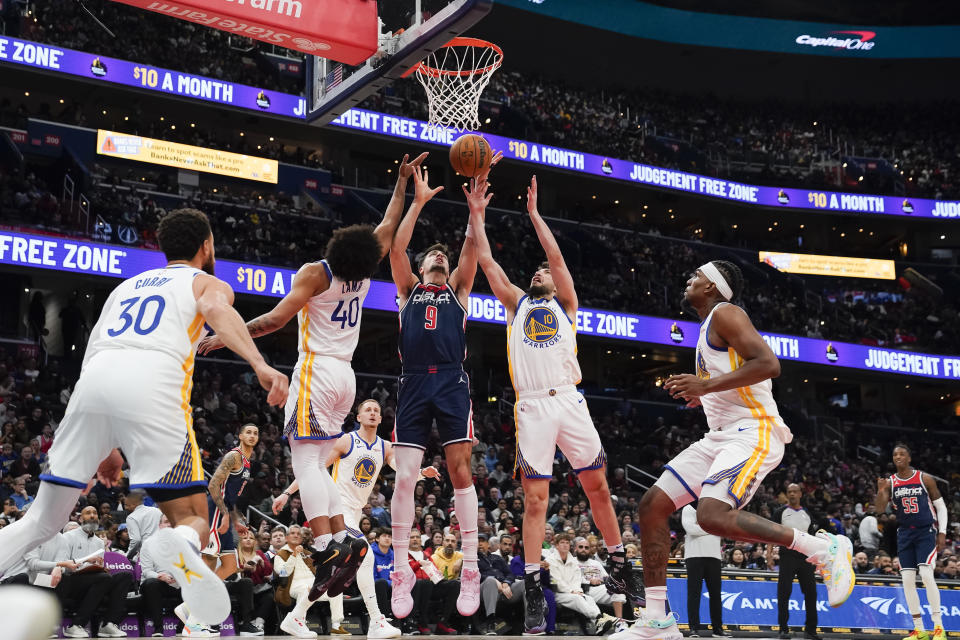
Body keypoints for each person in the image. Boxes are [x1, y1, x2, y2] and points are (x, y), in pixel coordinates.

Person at [0, 208, 289, 629]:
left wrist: (108, 440)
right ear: (207, 245)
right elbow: (216, 309)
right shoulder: (204, 281)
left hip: (92, 386)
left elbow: (96, 352)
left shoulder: (124, 287)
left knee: (41, 521)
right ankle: (181, 542)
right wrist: (259, 364)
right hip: (153, 384)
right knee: (191, 514)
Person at [200, 153, 426, 605]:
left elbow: (275, 321)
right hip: (347, 376)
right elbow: (387, 224)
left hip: (317, 369)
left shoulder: (314, 274)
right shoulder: (364, 272)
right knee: (321, 456)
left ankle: (327, 545)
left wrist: (229, 337)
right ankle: (343, 537)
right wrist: (401, 184)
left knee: (304, 461)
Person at [611, 261, 854, 640]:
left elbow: (769, 364)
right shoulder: (708, 325)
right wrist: (706, 393)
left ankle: (822, 549)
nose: (688, 279)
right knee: (652, 506)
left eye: (696, 276)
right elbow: (734, 378)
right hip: (721, 433)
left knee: (711, 516)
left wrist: (706, 387)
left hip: (754, 432)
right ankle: (656, 621)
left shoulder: (726, 312)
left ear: (713, 287)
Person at [466, 174, 639, 635]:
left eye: (544, 271)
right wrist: (477, 213)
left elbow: (558, 257)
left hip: (570, 399)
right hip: (534, 408)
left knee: (598, 487)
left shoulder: (567, 306)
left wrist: (536, 215)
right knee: (535, 501)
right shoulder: (516, 304)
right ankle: (534, 593)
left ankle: (621, 565)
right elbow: (486, 262)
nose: (540, 272)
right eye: (536, 271)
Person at [387, 158, 499, 621]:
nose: (441, 257)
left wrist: (477, 210)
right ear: (421, 266)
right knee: (407, 476)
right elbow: (396, 245)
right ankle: (399, 571)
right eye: (433, 256)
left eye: (444, 257)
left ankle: (470, 568)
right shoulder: (407, 289)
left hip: (451, 379)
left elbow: (472, 249)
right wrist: (415, 204)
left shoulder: (459, 289)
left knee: (460, 471)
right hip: (413, 380)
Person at [274, 398, 440, 638]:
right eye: (367, 410)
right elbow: (313, 468)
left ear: (381, 419)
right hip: (336, 508)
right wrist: (287, 493)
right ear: (359, 417)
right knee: (367, 555)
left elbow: (401, 470)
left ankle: (296, 616)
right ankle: (376, 621)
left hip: (354, 512)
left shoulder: (385, 446)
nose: (372, 413)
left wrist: (421, 473)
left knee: (333, 572)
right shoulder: (346, 440)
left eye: (376, 410)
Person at [875, 444, 948, 640]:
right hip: (905, 533)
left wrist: (942, 532)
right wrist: (881, 491)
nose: (898, 457)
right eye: (895, 454)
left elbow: (941, 507)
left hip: (926, 532)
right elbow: (880, 511)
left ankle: (939, 627)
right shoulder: (890, 482)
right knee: (907, 580)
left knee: (925, 573)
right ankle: (919, 629)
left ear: (909, 458)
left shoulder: (924, 478)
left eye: (902, 454)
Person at [60, 506, 135, 638]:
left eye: (95, 513)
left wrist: (101, 567)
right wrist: (85, 562)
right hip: (72, 581)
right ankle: (76, 625)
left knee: (124, 576)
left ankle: (108, 624)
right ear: (81, 518)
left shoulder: (99, 542)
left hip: (96, 580)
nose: (93, 515)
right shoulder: (68, 537)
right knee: (103, 578)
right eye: (88, 513)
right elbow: (63, 565)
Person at [203, 423, 258, 579]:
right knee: (208, 559)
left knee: (230, 566)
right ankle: (193, 600)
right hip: (215, 511)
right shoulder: (234, 456)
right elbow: (213, 485)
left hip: (224, 512)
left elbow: (230, 496)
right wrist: (225, 514)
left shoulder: (247, 463)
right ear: (240, 436)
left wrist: (234, 521)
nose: (252, 435)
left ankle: (207, 594)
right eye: (248, 432)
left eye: (255, 433)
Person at [774, 484, 820, 640]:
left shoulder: (807, 513)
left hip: (805, 557)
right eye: (789, 492)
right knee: (784, 593)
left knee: (811, 594)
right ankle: (783, 629)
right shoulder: (780, 512)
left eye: (795, 492)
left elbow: (813, 538)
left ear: (800, 494)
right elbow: (770, 534)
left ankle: (811, 631)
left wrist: (816, 558)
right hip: (787, 556)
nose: (792, 494)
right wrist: (768, 555)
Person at [682, 504, 726, 638]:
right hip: (694, 556)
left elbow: (723, 529)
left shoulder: (717, 509)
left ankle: (718, 629)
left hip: (714, 556)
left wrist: (701, 526)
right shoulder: (688, 508)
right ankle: (694, 629)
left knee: (716, 595)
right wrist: (712, 528)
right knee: (694, 594)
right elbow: (690, 529)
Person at [547, 534, 605, 635]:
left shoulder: (573, 561)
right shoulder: (550, 560)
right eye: (562, 543)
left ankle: (598, 624)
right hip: (557, 593)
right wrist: (572, 591)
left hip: (572, 592)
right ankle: (599, 618)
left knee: (588, 598)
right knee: (577, 598)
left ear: (570, 546)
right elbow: (556, 580)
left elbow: (576, 579)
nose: (565, 545)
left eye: (567, 543)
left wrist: (577, 590)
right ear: (556, 545)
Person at [273, 524, 320, 639]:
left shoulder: (307, 553)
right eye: (293, 533)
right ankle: (300, 625)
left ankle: (336, 625)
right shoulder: (280, 554)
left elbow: (318, 570)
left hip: (314, 584)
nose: (296, 535)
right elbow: (283, 573)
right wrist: (293, 555)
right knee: (306, 590)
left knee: (336, 589)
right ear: (287, 537)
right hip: (293, 586)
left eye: (298, 534)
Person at [477, 532, 524, 635]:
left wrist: (506, 583)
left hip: (504, 590)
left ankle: (531, 623)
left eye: (483, 541)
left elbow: (510, 574)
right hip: (483, 590)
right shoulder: (472, 559)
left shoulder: (497, 558)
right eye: (478, 541)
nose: (480, 544)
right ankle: (491, 624)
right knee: (490, 581)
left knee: (525, 583)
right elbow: (474, 576)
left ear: (488, 544)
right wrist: (494, 580)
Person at [123, 491, 162, 561]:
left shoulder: (131, 517)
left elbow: (136, 540)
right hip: (162, 550)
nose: (125, 508)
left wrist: (127, 556)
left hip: (147, 554)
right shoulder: (157, 511)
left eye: (126, 505)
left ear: (133, 504)